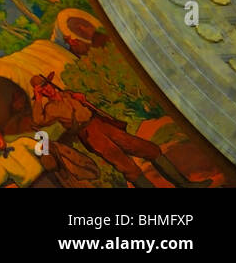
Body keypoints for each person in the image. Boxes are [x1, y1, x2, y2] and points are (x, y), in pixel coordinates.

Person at [30, 73, 194, 187]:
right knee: (126, 166)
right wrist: (37, 98)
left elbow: (88, 106)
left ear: (49, 83)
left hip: (101, 124)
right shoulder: (51, 108)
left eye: (45, 85)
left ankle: (184, 184)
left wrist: (82, 98)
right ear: (41, 93)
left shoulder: (67, 94)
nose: (47, 89)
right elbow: (38, 120)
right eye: (42, 89)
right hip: (91, 134)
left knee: (148, 149)